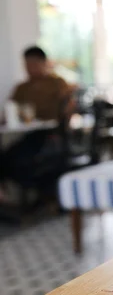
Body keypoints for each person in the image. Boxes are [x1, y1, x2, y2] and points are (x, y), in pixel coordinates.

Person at [0, 46, 75, 190]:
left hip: (53, 136)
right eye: (27, 64)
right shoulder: (22, 88)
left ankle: (44, 196)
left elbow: (69, 109)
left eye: (34, 64)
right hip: (30, 135)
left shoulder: (57, 83)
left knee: (23, 159)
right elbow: (9, 112)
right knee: (7, 157)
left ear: (44, 63)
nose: (30, 68)